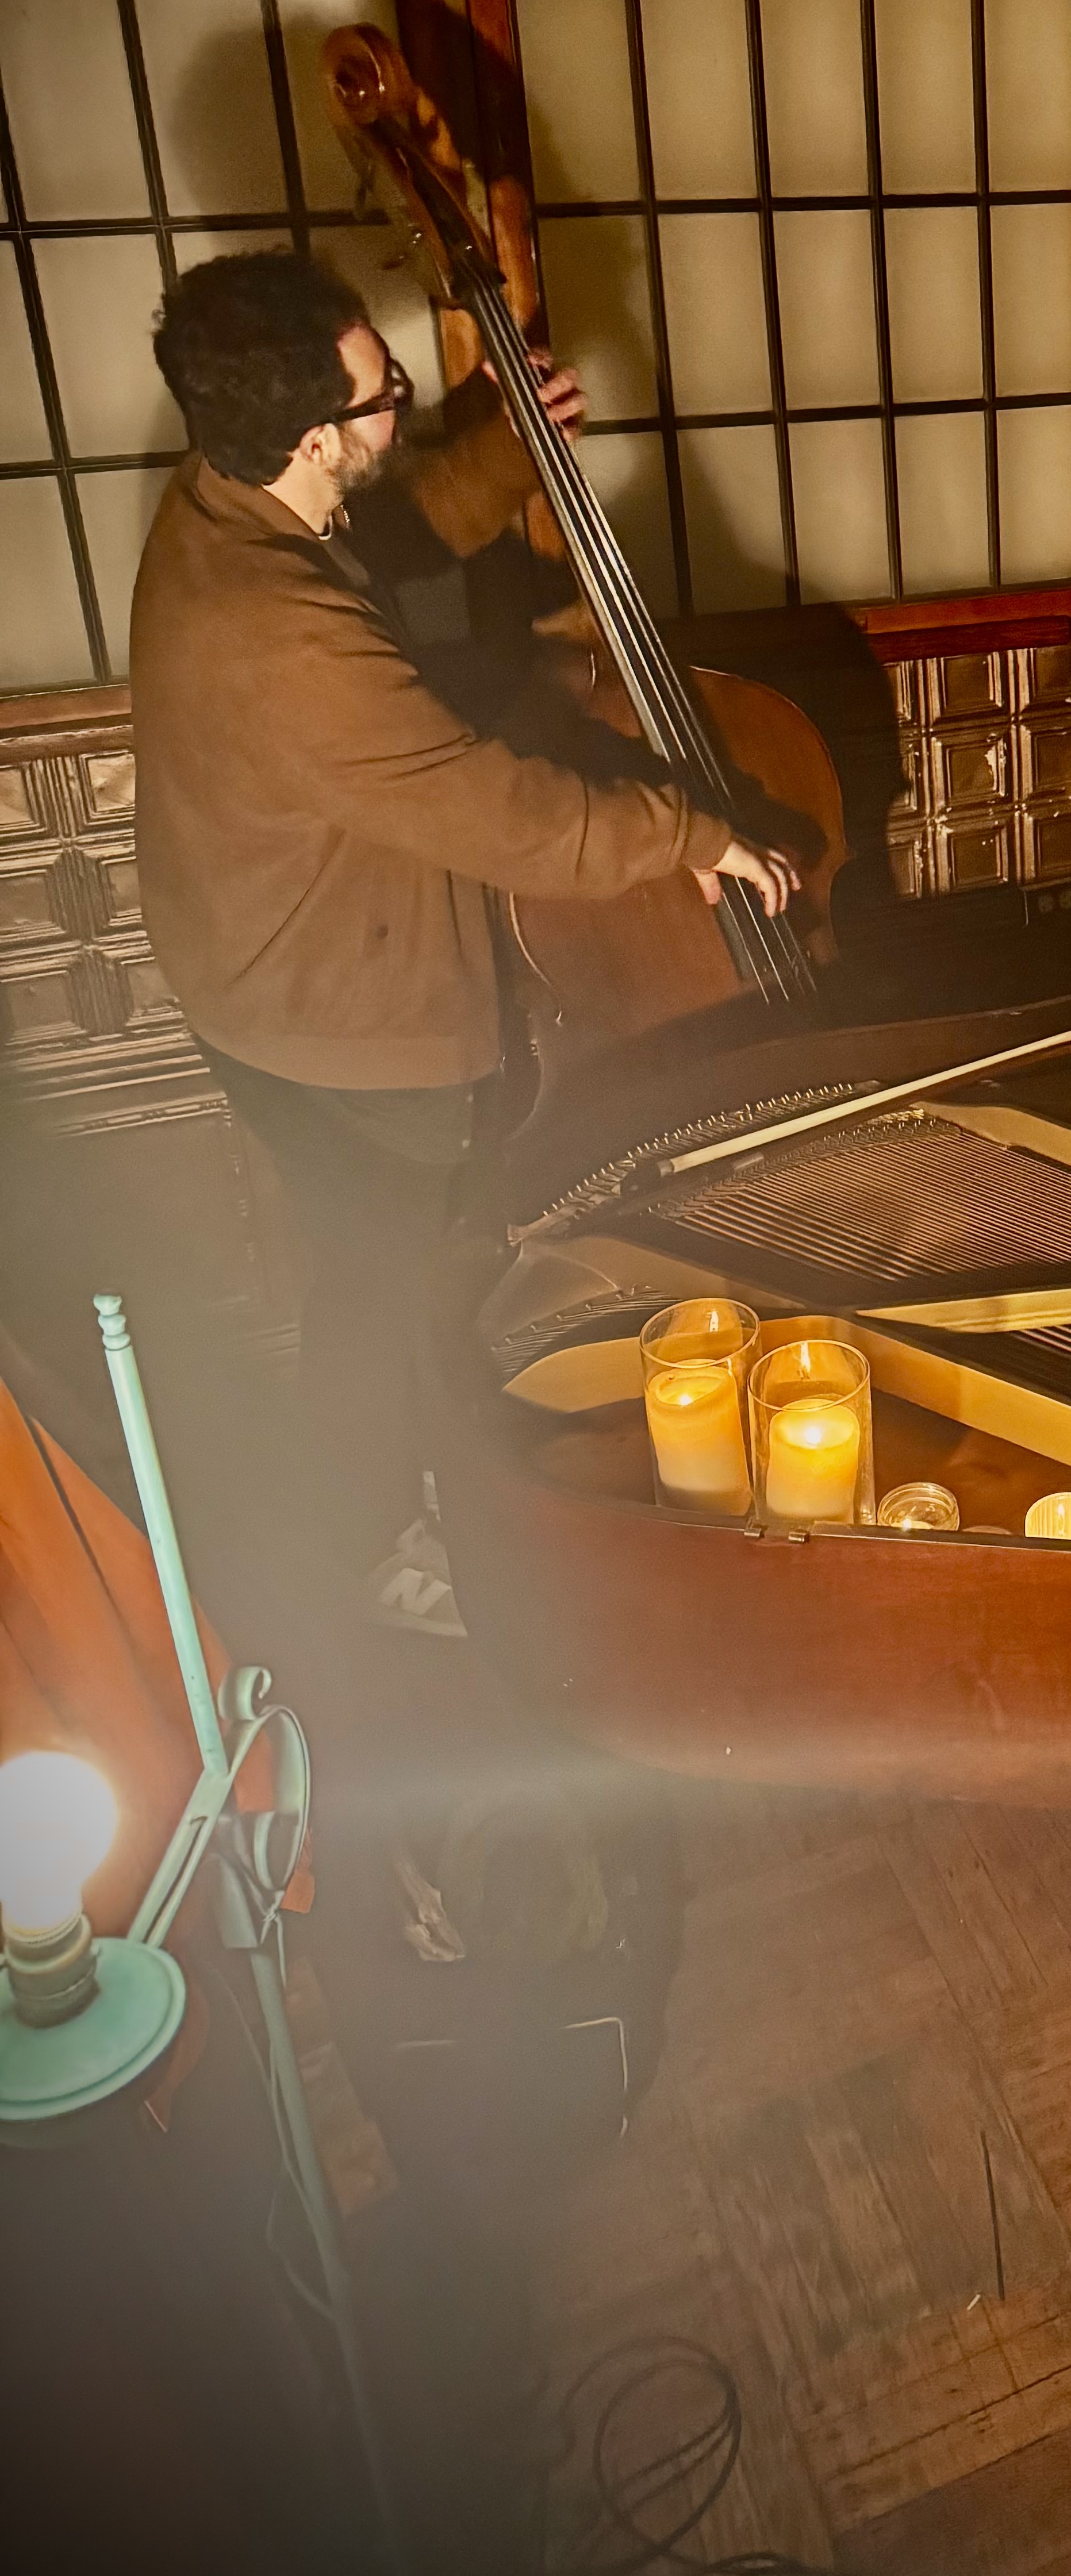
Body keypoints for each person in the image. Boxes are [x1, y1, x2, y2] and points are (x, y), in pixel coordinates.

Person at [133, 251, 800, 1631]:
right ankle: (378, 1555)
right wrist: (691, 833)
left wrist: (506, 452)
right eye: (383, 392)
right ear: (317, 437)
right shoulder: (277, 634)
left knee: (385, 1278)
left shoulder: (233, 495)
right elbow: (501, 813)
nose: (403, 401)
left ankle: (414, 1497)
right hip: (331, 1019)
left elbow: (393, 532)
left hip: (262, 966)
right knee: (383, 1300)